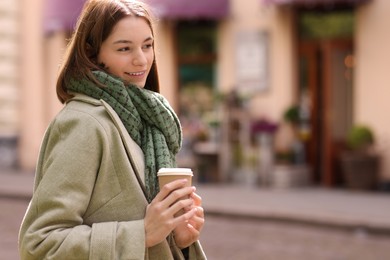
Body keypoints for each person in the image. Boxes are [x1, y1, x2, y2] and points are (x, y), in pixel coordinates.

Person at [18, 0, 206, 259]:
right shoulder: (83, 124)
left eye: (147, 45)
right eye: (124, 48)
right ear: (93, 54)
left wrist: (177, 238)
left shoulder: (148, 122)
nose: (141, 59)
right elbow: (39, 243)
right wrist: (142, 233)